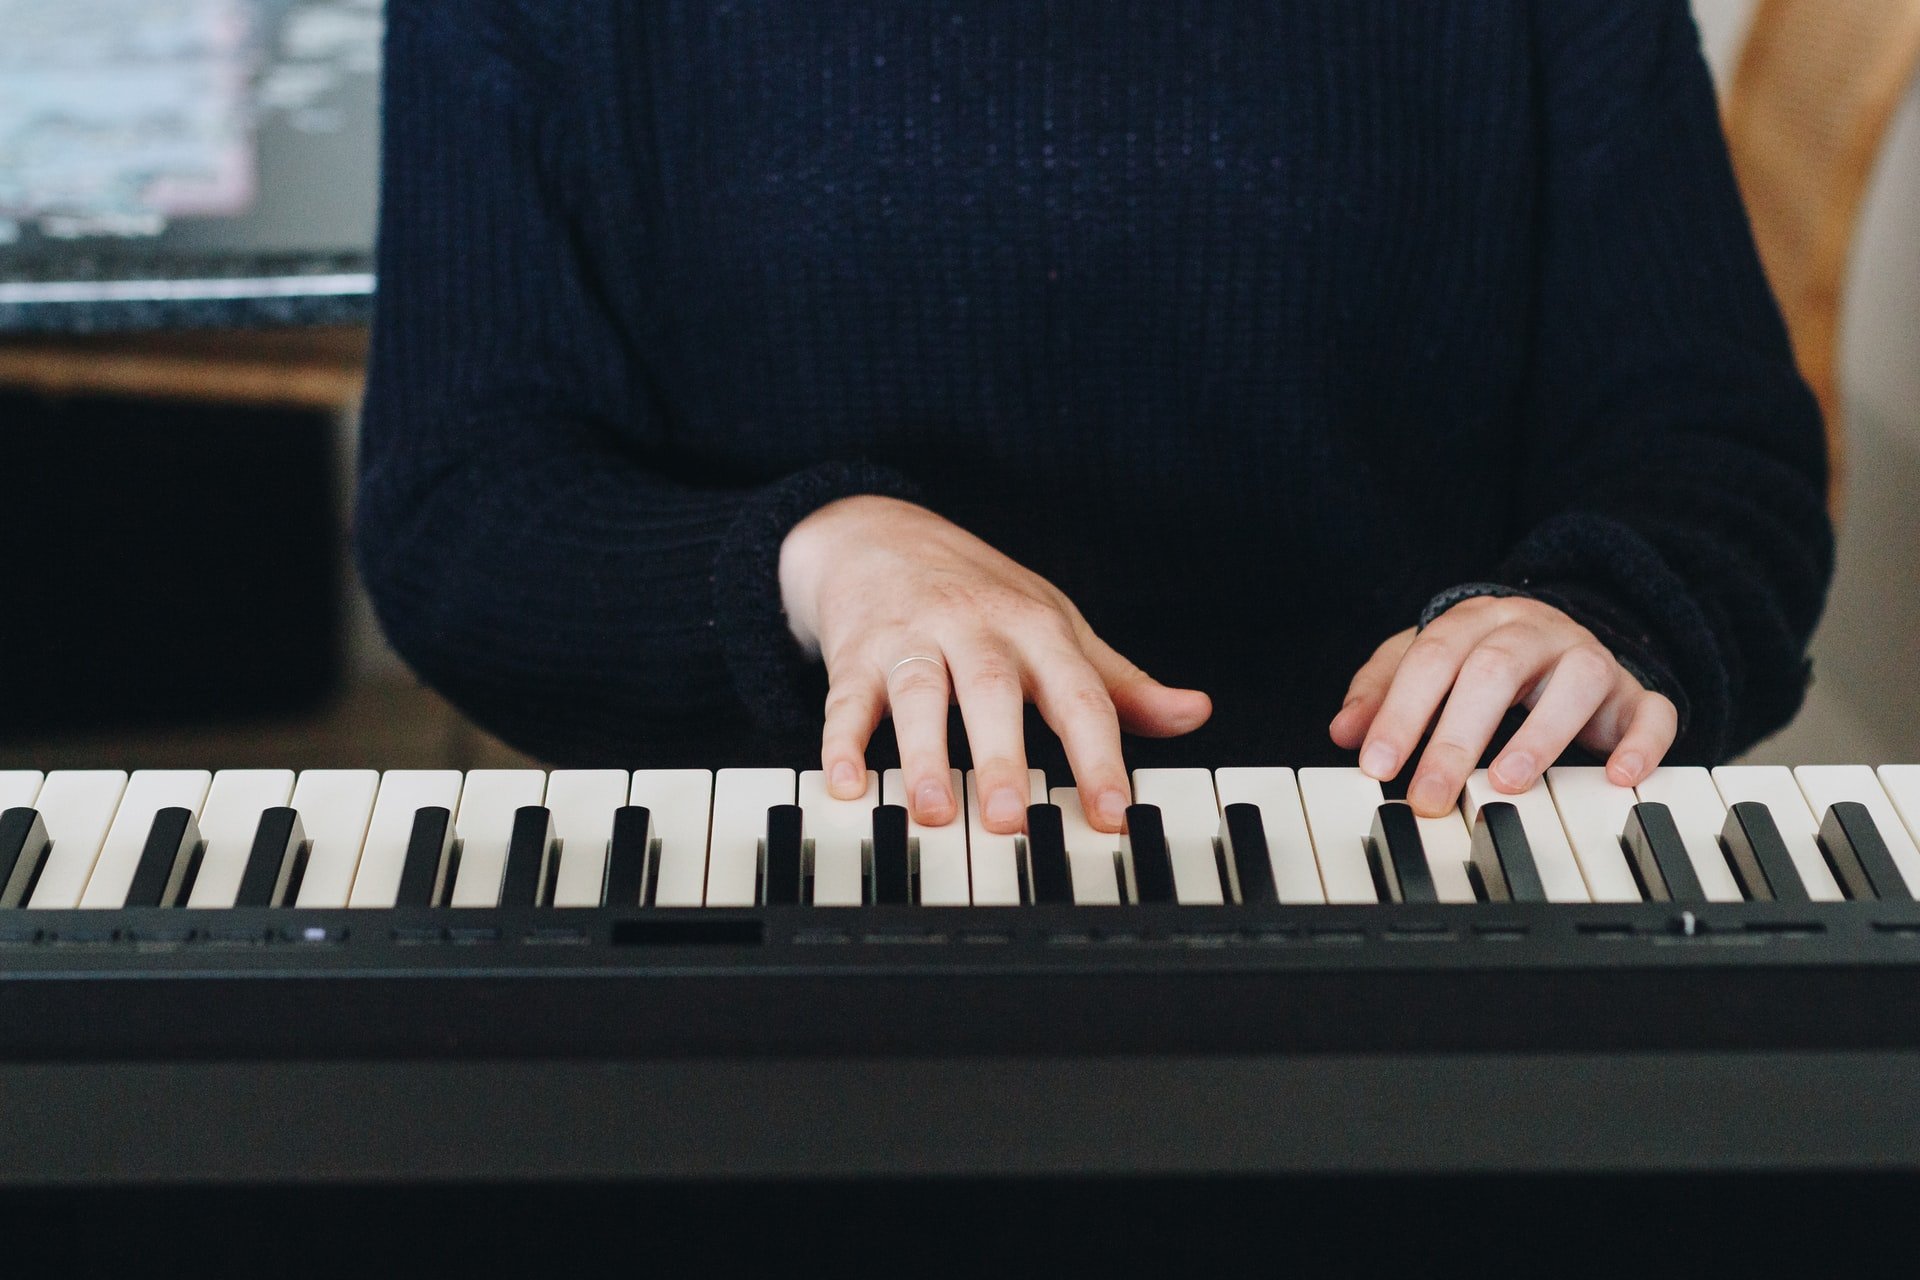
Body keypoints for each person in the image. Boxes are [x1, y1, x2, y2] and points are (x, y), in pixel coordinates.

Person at [357, 0, 1834, 839]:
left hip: (1408, 869)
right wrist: (821, 557)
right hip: (792, 886)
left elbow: (1712, 452)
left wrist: (1595, 615)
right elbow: (463, 507)